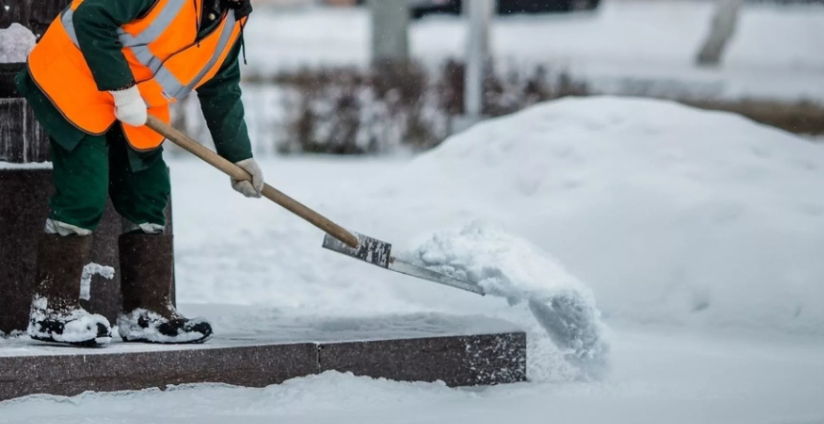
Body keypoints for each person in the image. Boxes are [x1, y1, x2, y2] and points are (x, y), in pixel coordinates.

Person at [15, 0, 263, 346]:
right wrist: (121, 87)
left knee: (147, 191)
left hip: (136, 104)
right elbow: (90, 16)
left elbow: (221, 85)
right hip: (74, 74)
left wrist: (240, 158)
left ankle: (146, 312)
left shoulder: (231, 19)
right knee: (85, 188)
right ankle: (51, 311)